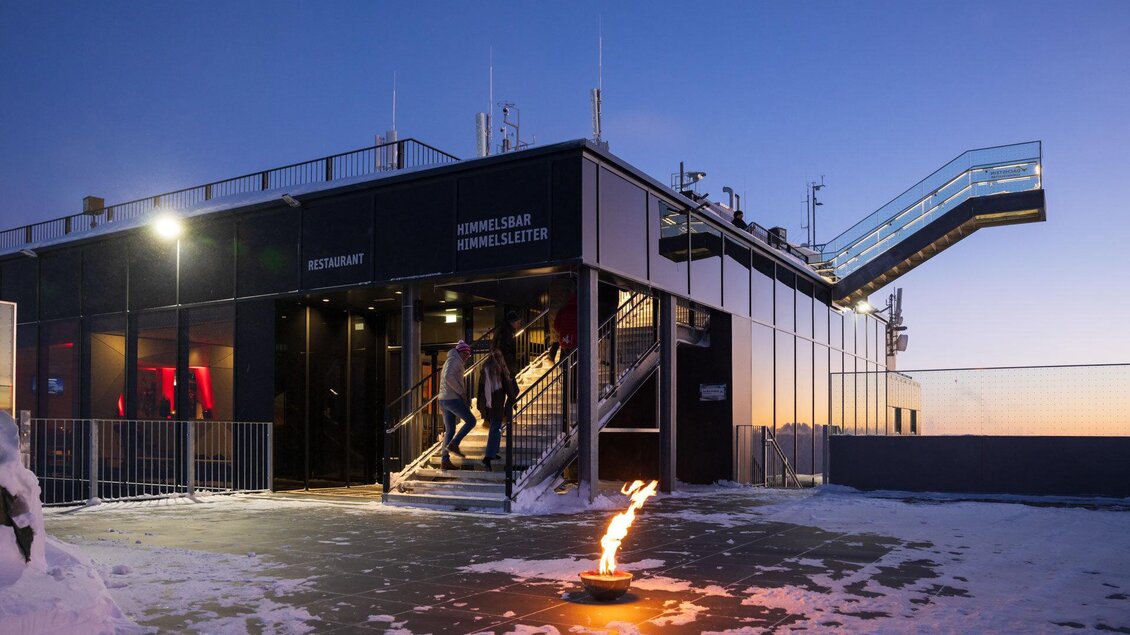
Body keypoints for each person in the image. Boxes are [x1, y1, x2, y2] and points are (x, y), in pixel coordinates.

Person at [438, 340, 476, 470]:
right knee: (471, 421)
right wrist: (461, 391)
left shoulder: (451, 360)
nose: (467, 356)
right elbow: (449, 377)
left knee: (450, 430)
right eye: (465, 353)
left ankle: (445, 460)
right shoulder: (454, 360)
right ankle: (454, 443)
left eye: (468, 354)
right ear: (459, 352)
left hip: (444, 399)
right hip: (452, 399)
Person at [478, 348, 517, 471]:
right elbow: (508, 386)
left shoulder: (485, 369)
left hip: (487, 404)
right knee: (495, 429)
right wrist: (512, 399)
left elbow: (480, 390)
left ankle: (493, 452)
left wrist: (481, 407)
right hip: (496, 403)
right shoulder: (500, 369)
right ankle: (488, 458)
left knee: (495, 428)